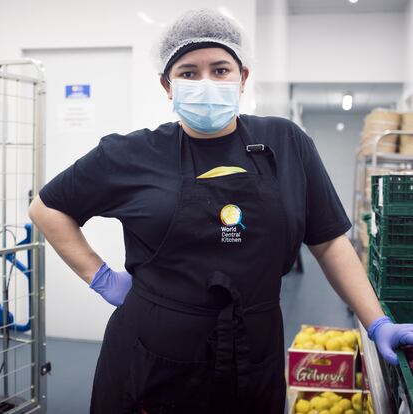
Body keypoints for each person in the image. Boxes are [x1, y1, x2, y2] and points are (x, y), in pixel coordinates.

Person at [28, 8, 413, 414]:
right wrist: (101, 278)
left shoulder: (285, 143)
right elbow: (48, 208)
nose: (205, 83)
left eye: (220, 69)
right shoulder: (130, 153)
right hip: (152, 359)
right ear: (167, 85)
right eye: (189, 73)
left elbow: (330, 241)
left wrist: (376, 322)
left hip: (255, 350)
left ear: (243, 77)